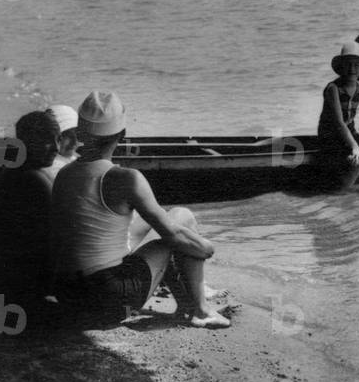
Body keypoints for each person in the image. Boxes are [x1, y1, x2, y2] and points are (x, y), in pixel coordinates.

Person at [50, 91, 230, 328]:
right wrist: (206, 247)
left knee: (164, 221)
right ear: (122, 134)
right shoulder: (127, 178)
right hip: (105, 302)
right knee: (181, 218)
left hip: (68, 297)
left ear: (81, 133)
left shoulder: (64, 174)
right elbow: (173, 235)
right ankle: (200, 309)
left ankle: (190, 305)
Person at [0, 111, 61, 308]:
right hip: (23, 291)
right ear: (27, 142)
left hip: (0, 285)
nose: (57, 148)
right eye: (47, 140)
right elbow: (59, 245)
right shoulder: (36, 180)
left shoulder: (10, 172)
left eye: (58, 139)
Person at [317, 42, 359, 190]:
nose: (352, 69)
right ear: (341, 67)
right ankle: (340, 197)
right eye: (348, 64)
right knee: (356, 163)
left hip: (349, 133)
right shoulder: (333, 89)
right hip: (330, 135)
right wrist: (355, 148)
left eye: (356, 65)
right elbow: (339, 123)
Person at [47, 104, 81, 178]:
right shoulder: (55, 169)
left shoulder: (69, 160)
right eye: (68, 136)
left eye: (77, 134)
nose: (75, 142)